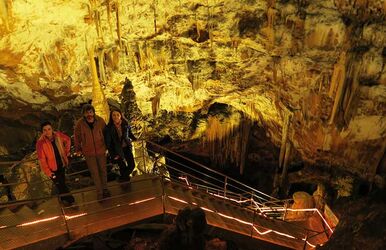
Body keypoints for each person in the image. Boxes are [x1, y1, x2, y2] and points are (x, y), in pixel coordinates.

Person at [74, 104, 110, 200]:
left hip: (101, 150)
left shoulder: (100, 121)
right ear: (84, 114)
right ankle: (100, 192)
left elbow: (106, 134)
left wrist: (108, 146)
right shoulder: (80, 124)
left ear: (93, 112)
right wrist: (78, 149)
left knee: (103, 170)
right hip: (89, 152)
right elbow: (77, 137)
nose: (89, 114)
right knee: (94, 173)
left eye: (90, 112)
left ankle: (105, 189)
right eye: (86, 113)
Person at [36, 121, 75, 206]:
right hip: (52, 169)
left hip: (62, 164)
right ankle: (71, 200)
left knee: (62, 183)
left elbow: (68, 140)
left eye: (49, 129)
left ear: (52, 129)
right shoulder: (40, 143)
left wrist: (66, 152)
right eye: (45, 130)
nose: (47, 132)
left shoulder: (58, 135)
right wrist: (49, 173)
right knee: (60, 184)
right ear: (42, 132)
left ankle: (63, 199)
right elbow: (42, 160)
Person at [104, 107, 137, 183]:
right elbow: (109, 143)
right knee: (122, 167)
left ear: (120, 116)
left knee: (132, 165)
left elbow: (129, 133)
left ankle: (122, 179)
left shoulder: (125, 124)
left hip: (126, 147)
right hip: (117, 150)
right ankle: (125, 186)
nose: (115, 117)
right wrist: (113, 154)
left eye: (117, 115)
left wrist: (134, 138)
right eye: (113, 115)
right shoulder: (109, 128)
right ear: (111, 117)